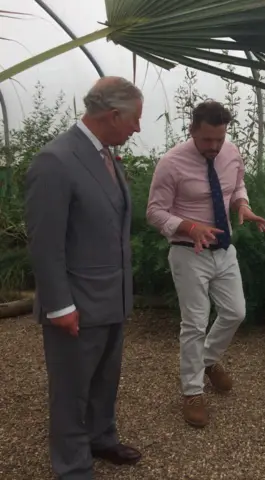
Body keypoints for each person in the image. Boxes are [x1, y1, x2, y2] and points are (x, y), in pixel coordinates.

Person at [24, 77, 144, 479]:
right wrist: (59, 304)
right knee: (71, 390)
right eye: (135, 120)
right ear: (112, 116)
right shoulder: (55, 160)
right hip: (75, 302)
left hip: (111, 297)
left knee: (105, 379)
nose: (137, 128)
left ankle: (101, 438)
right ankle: (73, 467)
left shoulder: (105, 155)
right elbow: (45, 243)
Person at [146, 99, 265, 428]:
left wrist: (242, 205)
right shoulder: (171, 163)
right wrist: (189, 226)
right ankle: (192, 391)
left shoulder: (231, 152)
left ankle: (208, 360)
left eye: (220, 138)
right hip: (189, 253)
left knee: (235, 312)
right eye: (207, 140)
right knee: (195, 323)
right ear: (192, 132)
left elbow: (236, 185)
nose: (215, 146)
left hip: (224, 249)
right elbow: (155, 212)